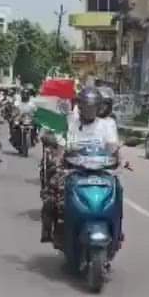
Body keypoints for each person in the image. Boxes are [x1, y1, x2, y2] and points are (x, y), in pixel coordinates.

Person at [40, 86, 121, 243]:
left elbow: (112, 147)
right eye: (86, 106)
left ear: (98, 107)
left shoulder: (107, 124)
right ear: (80, 106)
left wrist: (120, 160)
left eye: (93, 107)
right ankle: (48, 228)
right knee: (52, 193)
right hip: (74, 170)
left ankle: (117, 230)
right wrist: (57, 160)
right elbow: (62, 145)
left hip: (100, 171)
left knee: (118, 189)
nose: (89, 110)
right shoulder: (71, 122)